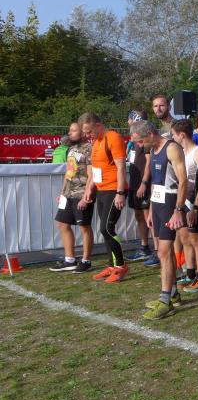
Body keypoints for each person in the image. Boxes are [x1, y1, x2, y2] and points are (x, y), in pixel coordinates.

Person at [130, 120, 189, 320]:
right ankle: (173, 294)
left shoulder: (171, 148)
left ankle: (165, 301)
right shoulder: (153, 149)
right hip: (158, 204)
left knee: (163, 251)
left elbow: (183, 181)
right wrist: (151, 211)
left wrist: (178, 210)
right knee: (165, 251)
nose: (139, 146)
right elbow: (156, 182)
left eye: (140, 141)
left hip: (171, 203)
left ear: (150, 133)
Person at [81, 112, 129, 283]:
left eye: (89, 131)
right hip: (101, 190)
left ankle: (121, 266)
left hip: (114, 189)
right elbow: (96, 169)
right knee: (105, 229)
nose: (87, 135)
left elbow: (121, 167)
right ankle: (112, 265)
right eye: (85, 133)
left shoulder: (113, 138)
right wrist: (89, 188)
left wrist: (120, 193)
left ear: (98, 125)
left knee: (106, 228)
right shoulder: (96, 142)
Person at [169, 119, 198, 294]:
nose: (172, 138)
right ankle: (190, 273)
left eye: (173, 135)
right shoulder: (181, 152)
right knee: (185, 238)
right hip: (183, 201)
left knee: (196, 240)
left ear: (182, 135)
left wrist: (196, 207)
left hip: (195, 202)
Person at [50, 121, 94, 273]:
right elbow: (69, 172)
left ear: (83, 132)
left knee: (84, 227)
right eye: (70, 130)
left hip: (81, 193)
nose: (70, 133)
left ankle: (86, 261)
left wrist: (86, 195)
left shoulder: (89, 148)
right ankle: (70, 260)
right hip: (68, 193)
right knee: (62, 224)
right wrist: (62, 192)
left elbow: (92, 174)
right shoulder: (71, 149)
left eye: (73, 130)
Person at [125, 110, 153, 262]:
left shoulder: (145, 140)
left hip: (143, 183)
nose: (128, 123)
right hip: (134, 182)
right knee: (138, 215)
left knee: (148, 216)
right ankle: (144, 247)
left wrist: (144, 183)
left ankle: (157, 249)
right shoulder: (133, 140)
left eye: (130, 120)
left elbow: (149, 162)